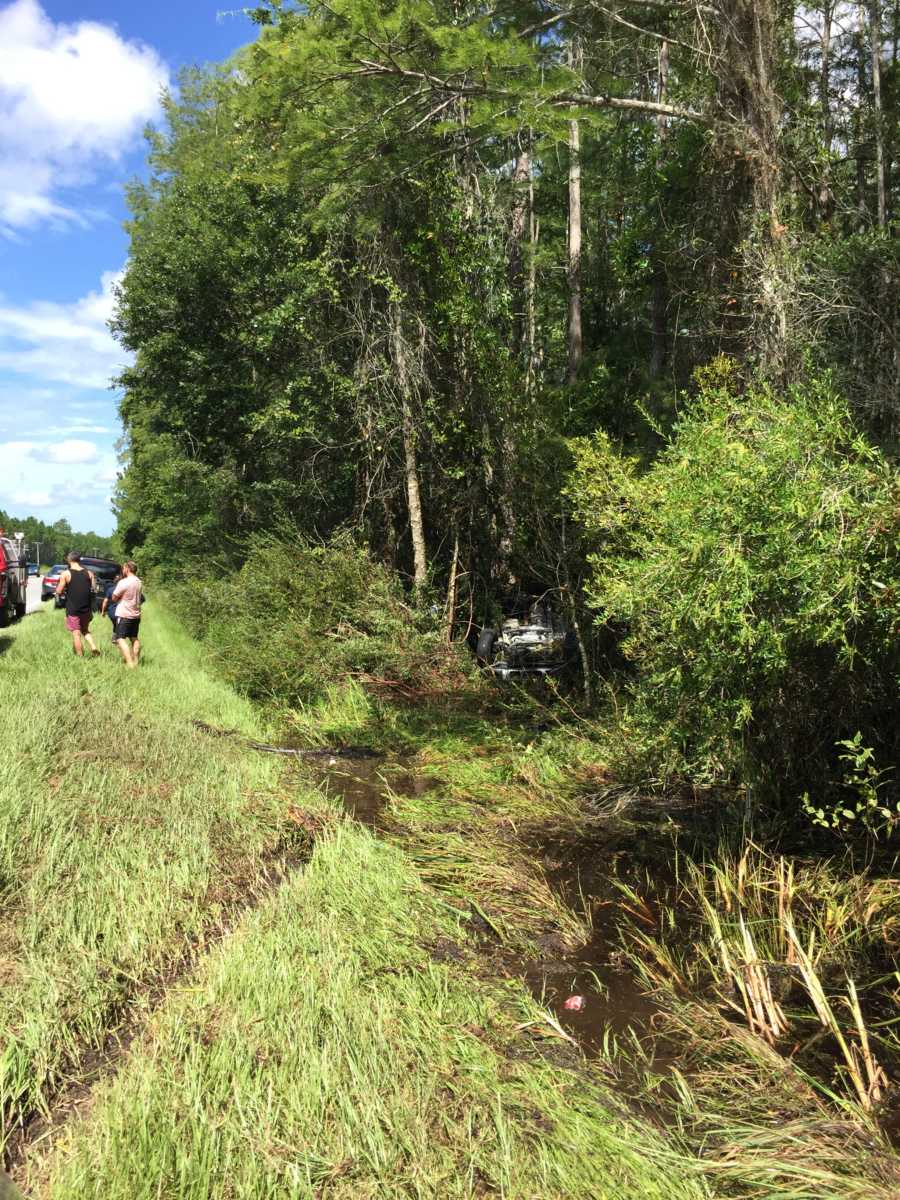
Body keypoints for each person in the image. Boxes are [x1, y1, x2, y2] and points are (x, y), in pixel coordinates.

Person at [55, 551, 100, 657]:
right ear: (79, 560)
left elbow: (59, 591)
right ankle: (93, 646)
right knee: (85, 630)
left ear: (69, 560)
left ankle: (80, 658)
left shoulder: (66, 574)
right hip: (86, 608)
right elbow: (94, 589)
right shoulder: (89, 573)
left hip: (73, 609)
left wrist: (59, 592)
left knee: (76, 633)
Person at [110, 560, 143, 668]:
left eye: (124, 568)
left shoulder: (124, 582)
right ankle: (136, 662)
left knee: (120, 638)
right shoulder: (139, 581)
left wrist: (119, 598)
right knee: (134, 638)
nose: (123, 570)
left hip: (125, 614)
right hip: (136, 614)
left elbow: (114, 597)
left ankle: (129, 663)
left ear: (128, 569)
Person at [100, 571, 122, 645]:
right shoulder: (124, 590)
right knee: (119, 625)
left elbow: (105, 602)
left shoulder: (110, 589)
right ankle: (118, 638)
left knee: (116, 624)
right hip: (122, 612)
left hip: (111, 612)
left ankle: (115, 637)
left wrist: (103, 612)